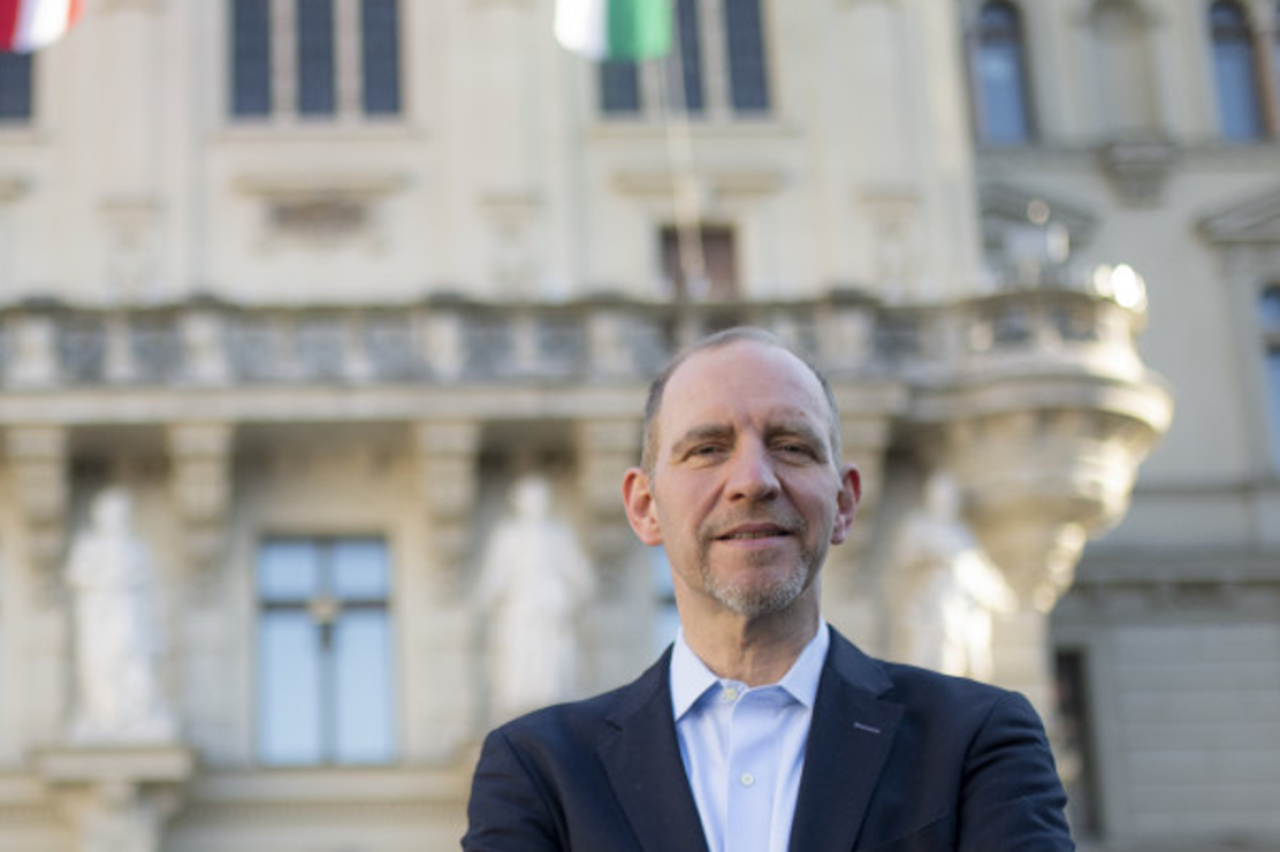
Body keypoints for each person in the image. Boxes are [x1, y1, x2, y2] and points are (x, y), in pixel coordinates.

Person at [462, 327, 1074, 851]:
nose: (753, 480)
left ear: (845, 504)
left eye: (791, 447)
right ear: (645, 507)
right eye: (707, 449)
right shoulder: (538, 770)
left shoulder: (973, 741)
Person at [476, 473, 596, 721]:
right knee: (520, 665)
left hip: (551, 609)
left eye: (539, 499)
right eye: (529, 500)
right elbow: (497, 574)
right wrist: (485, 596)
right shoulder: (509, 536)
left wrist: (575, 596)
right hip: (520, 611)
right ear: (519, 504)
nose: (535, 505)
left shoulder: (558, 535)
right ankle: (523, 711)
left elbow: (579, 572)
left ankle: (549, 708)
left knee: (551, 666)